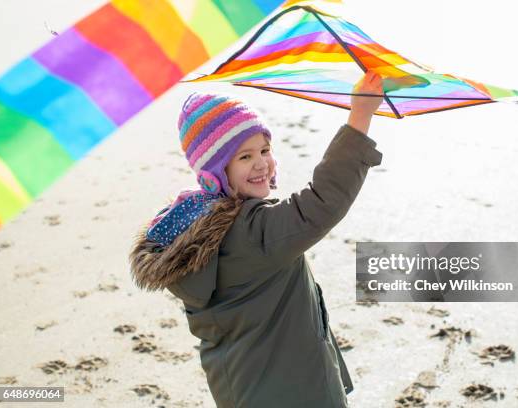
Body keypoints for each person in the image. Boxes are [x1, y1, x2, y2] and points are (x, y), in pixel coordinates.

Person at [129, 70, 384, 407]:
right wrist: (359, 117)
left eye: (264, 149)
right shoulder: (251, 232)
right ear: (215, 172)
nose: (262, 163)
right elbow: (321, 204)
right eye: (244, 157)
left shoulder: (188, 222)